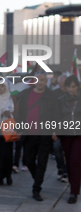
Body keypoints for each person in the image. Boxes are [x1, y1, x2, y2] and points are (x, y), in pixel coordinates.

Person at [16, 71, 54, 201]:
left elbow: (56, 114)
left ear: (46, 81)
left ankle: (36, 188)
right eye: (39, 79)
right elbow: (20, 113)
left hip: (45, 134)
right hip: (29, 133)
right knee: (29, 159)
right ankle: (38, 178)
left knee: (42, 162)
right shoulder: (26, 94)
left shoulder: (51, 95)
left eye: (43, 79)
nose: (41, 82)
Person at [55, 75, 81, 204]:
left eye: (73, 86)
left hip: (79, 135)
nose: (71, 89)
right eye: (69, 87)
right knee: (70, 163)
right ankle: (73, 185)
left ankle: (74, 192)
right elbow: (57, 117)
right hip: (66, 135)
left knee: (75, 162)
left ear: (77, 86)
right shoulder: (60, 100)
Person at [52, 74, 68, 182]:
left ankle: (66, 172)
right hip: (57, 126)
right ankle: (60, 168)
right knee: (57, 147)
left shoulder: (71, 93)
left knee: (68, 150)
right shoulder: (54, 94)